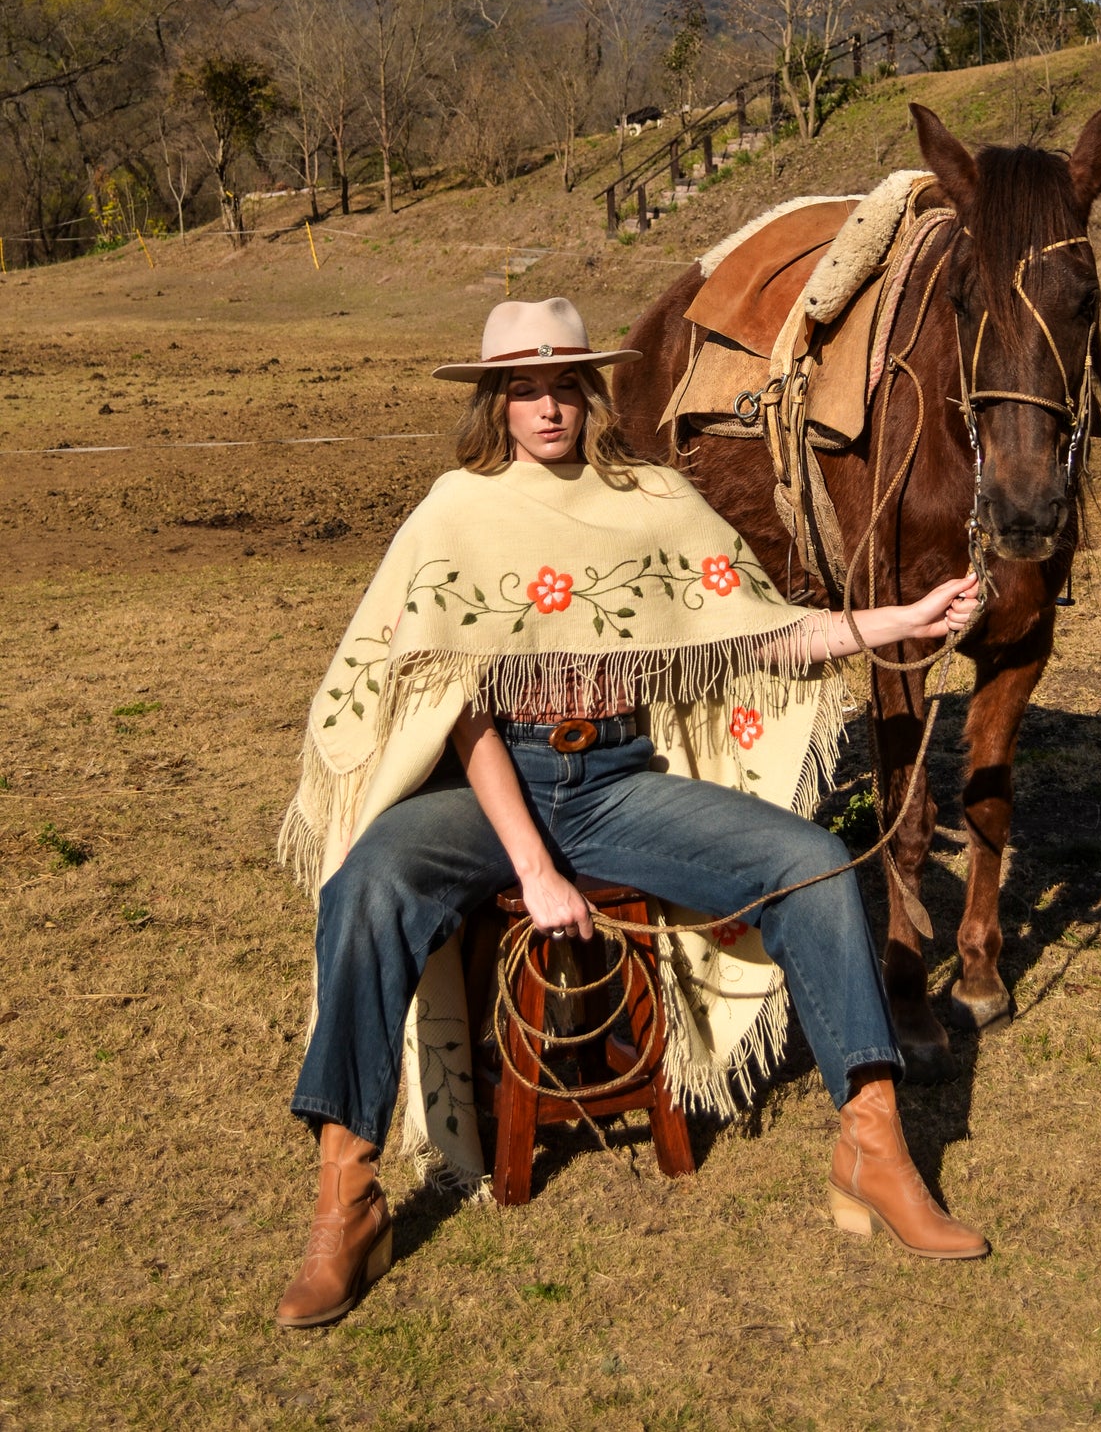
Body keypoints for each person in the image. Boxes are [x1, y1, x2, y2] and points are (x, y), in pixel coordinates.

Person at [276, 298, 988, 1331]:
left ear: (591, 390)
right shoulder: (455, 514)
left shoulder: (652, 497)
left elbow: (758, 633)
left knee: (819, 870)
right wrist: (533, 864)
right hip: (493, 788)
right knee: (368, 886)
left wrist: (900, 619)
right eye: (524, 386)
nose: (547, 403)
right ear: (496, 402)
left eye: (565, 382)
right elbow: (457, 711)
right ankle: (347, 1196)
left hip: (617, 784)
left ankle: (871, 1148)